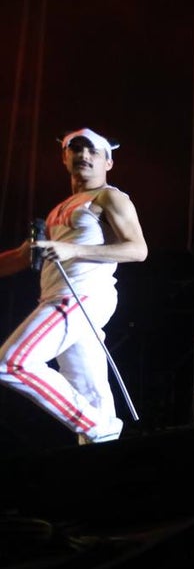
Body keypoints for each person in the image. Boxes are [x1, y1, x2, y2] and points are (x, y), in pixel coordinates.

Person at [0, 128, 147, 444]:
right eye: (76, 149)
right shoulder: (59, 209)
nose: (84, 155)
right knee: (92, 393)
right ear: (64, 157)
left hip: (81, 296)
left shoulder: (108, 197)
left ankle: (100, 429)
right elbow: (20, 257)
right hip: (62, 298)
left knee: (10, 363)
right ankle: (104, 460)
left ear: (108, 162)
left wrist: (74, 250)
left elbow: (137, 249)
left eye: (93, 151)